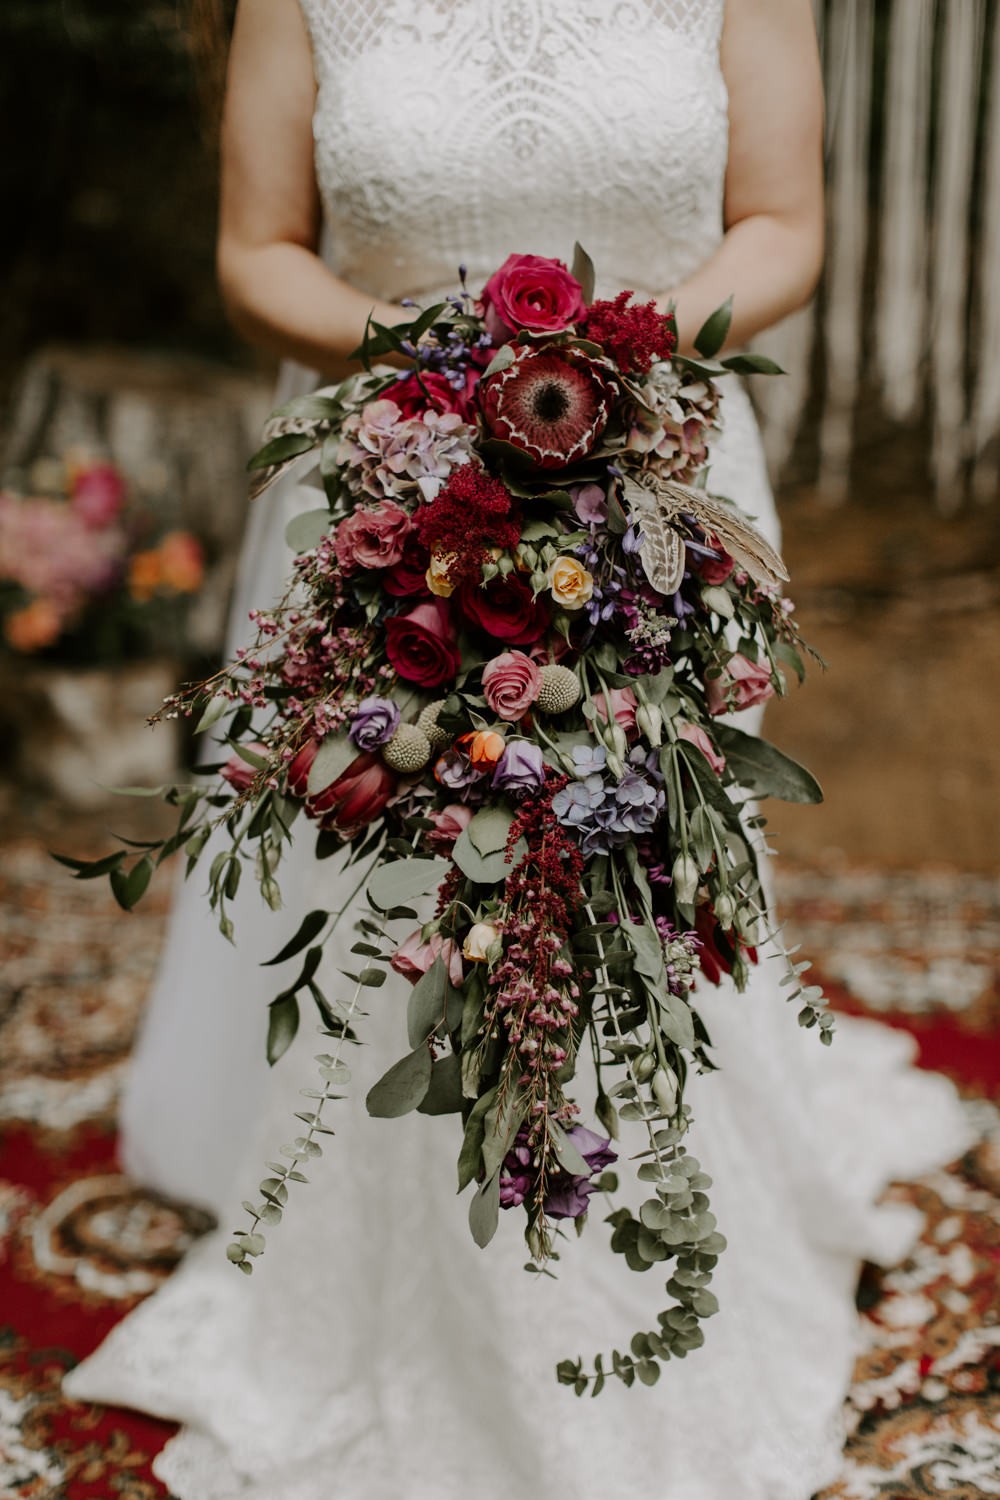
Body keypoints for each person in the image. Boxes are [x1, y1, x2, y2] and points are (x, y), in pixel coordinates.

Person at [65, 3, 972, 1497]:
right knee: (412, 898)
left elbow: (782, 221)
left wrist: (604, 362)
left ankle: (641, 1249)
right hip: (393, 488)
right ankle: (402, 1295)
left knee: (629, 870)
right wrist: (443, 368)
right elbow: (256, 250)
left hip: (657, 482)